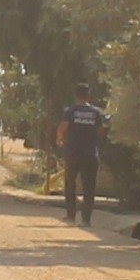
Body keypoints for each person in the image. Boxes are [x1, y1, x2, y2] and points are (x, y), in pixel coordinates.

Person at [56, 95, 109, 225]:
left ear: (76, 96)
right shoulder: (96, 112)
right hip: (90, 153)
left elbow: (62, 128)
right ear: (88, 96)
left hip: (73, 153)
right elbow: (101, 131)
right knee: (89, 187)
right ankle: (86, 219)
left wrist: (60, 139)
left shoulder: (71, 111)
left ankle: (71, 215)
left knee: (70, 184)